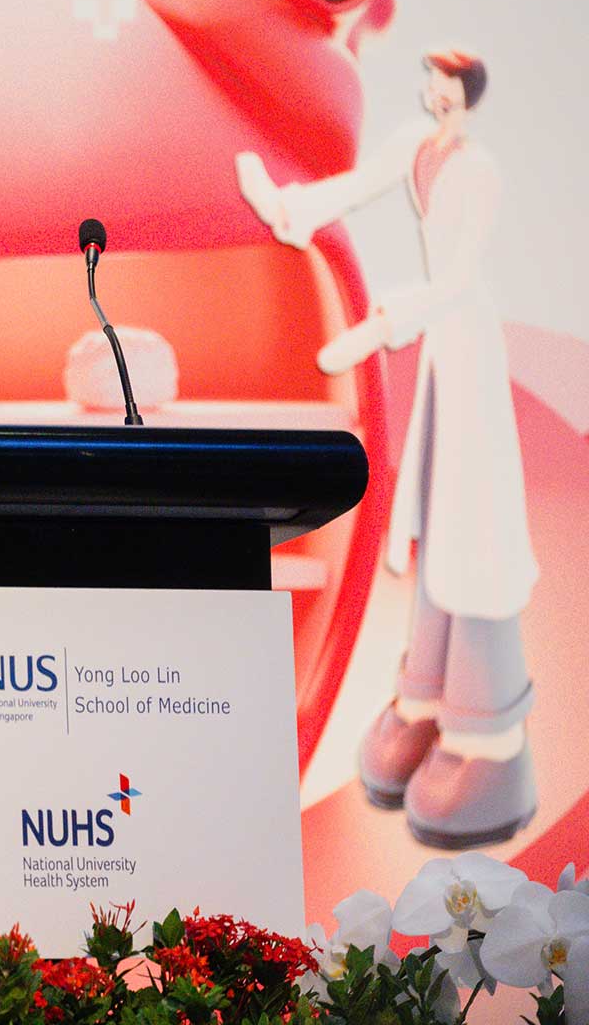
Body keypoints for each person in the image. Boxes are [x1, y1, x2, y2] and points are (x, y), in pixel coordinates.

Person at [236, 49, 539, 849]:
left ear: (467, 93)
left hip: (464, 338)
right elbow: (360, 185)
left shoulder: (480, 175)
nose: (432, 92)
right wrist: (292, 207)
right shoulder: (418, 143)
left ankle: (490, 737)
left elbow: (459, 278)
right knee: (439, 524)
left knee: (473, 534)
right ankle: (429, 699)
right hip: (441, 346)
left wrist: (378, 326)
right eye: (431, 80)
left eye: (446, 82)